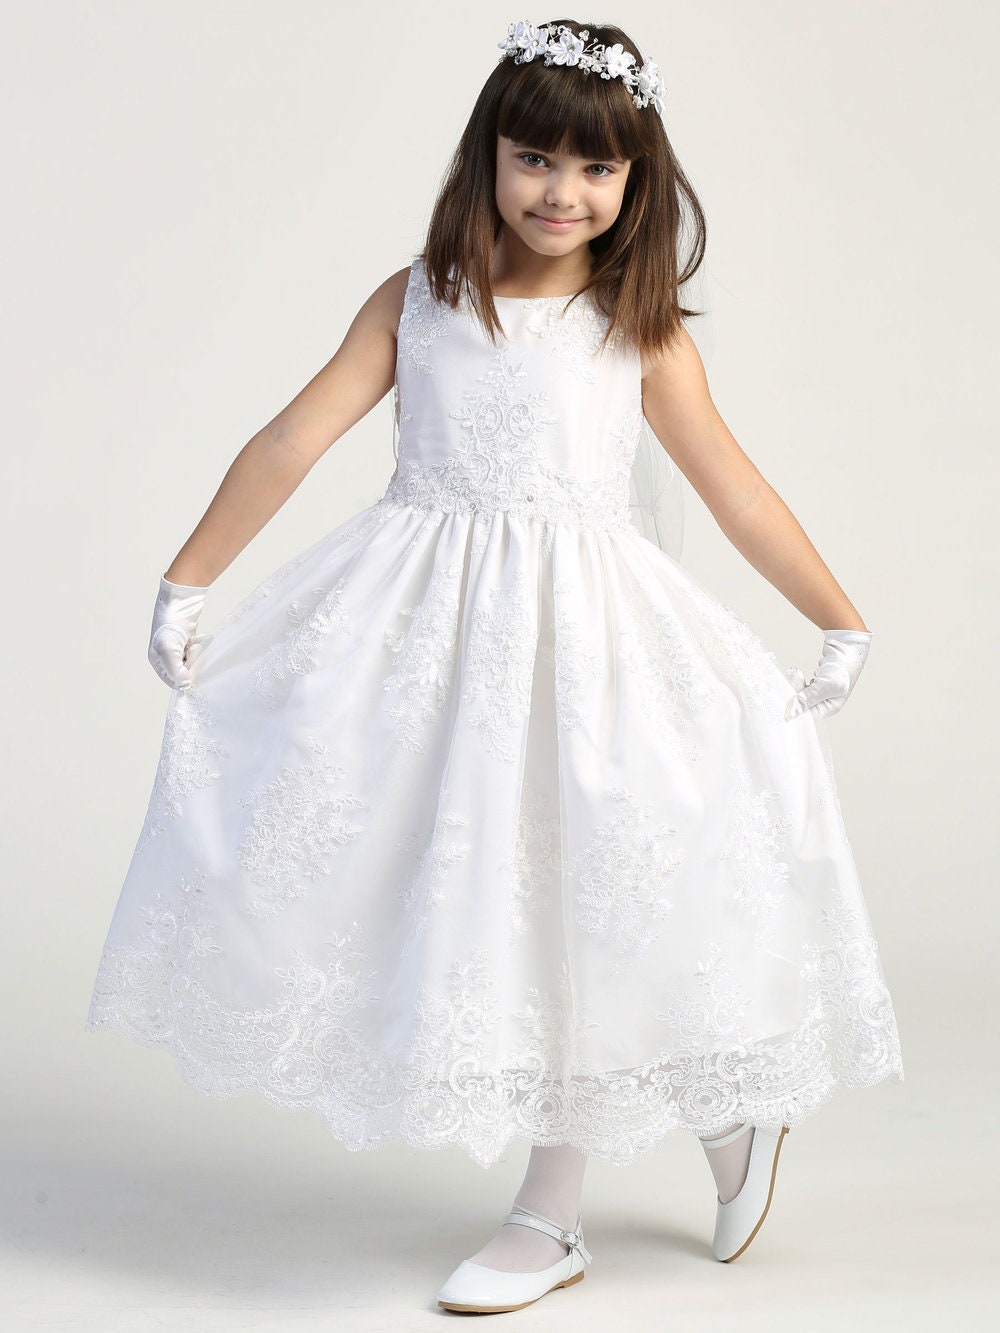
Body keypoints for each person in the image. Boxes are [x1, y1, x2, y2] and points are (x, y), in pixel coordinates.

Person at [85, 16, 905, 1316]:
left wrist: (838, 615)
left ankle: (553, 1207)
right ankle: (723, 1118)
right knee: (472, 895)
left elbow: (735, 491)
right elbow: (294, 436)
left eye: (596, 170)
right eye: (535, 160)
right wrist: (190, 574)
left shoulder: (635, 330)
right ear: (488, 154)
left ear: (637, 180)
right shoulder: (420, 300)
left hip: (588, 652)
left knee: (581, 891)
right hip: (429, 642)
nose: (562, 194)